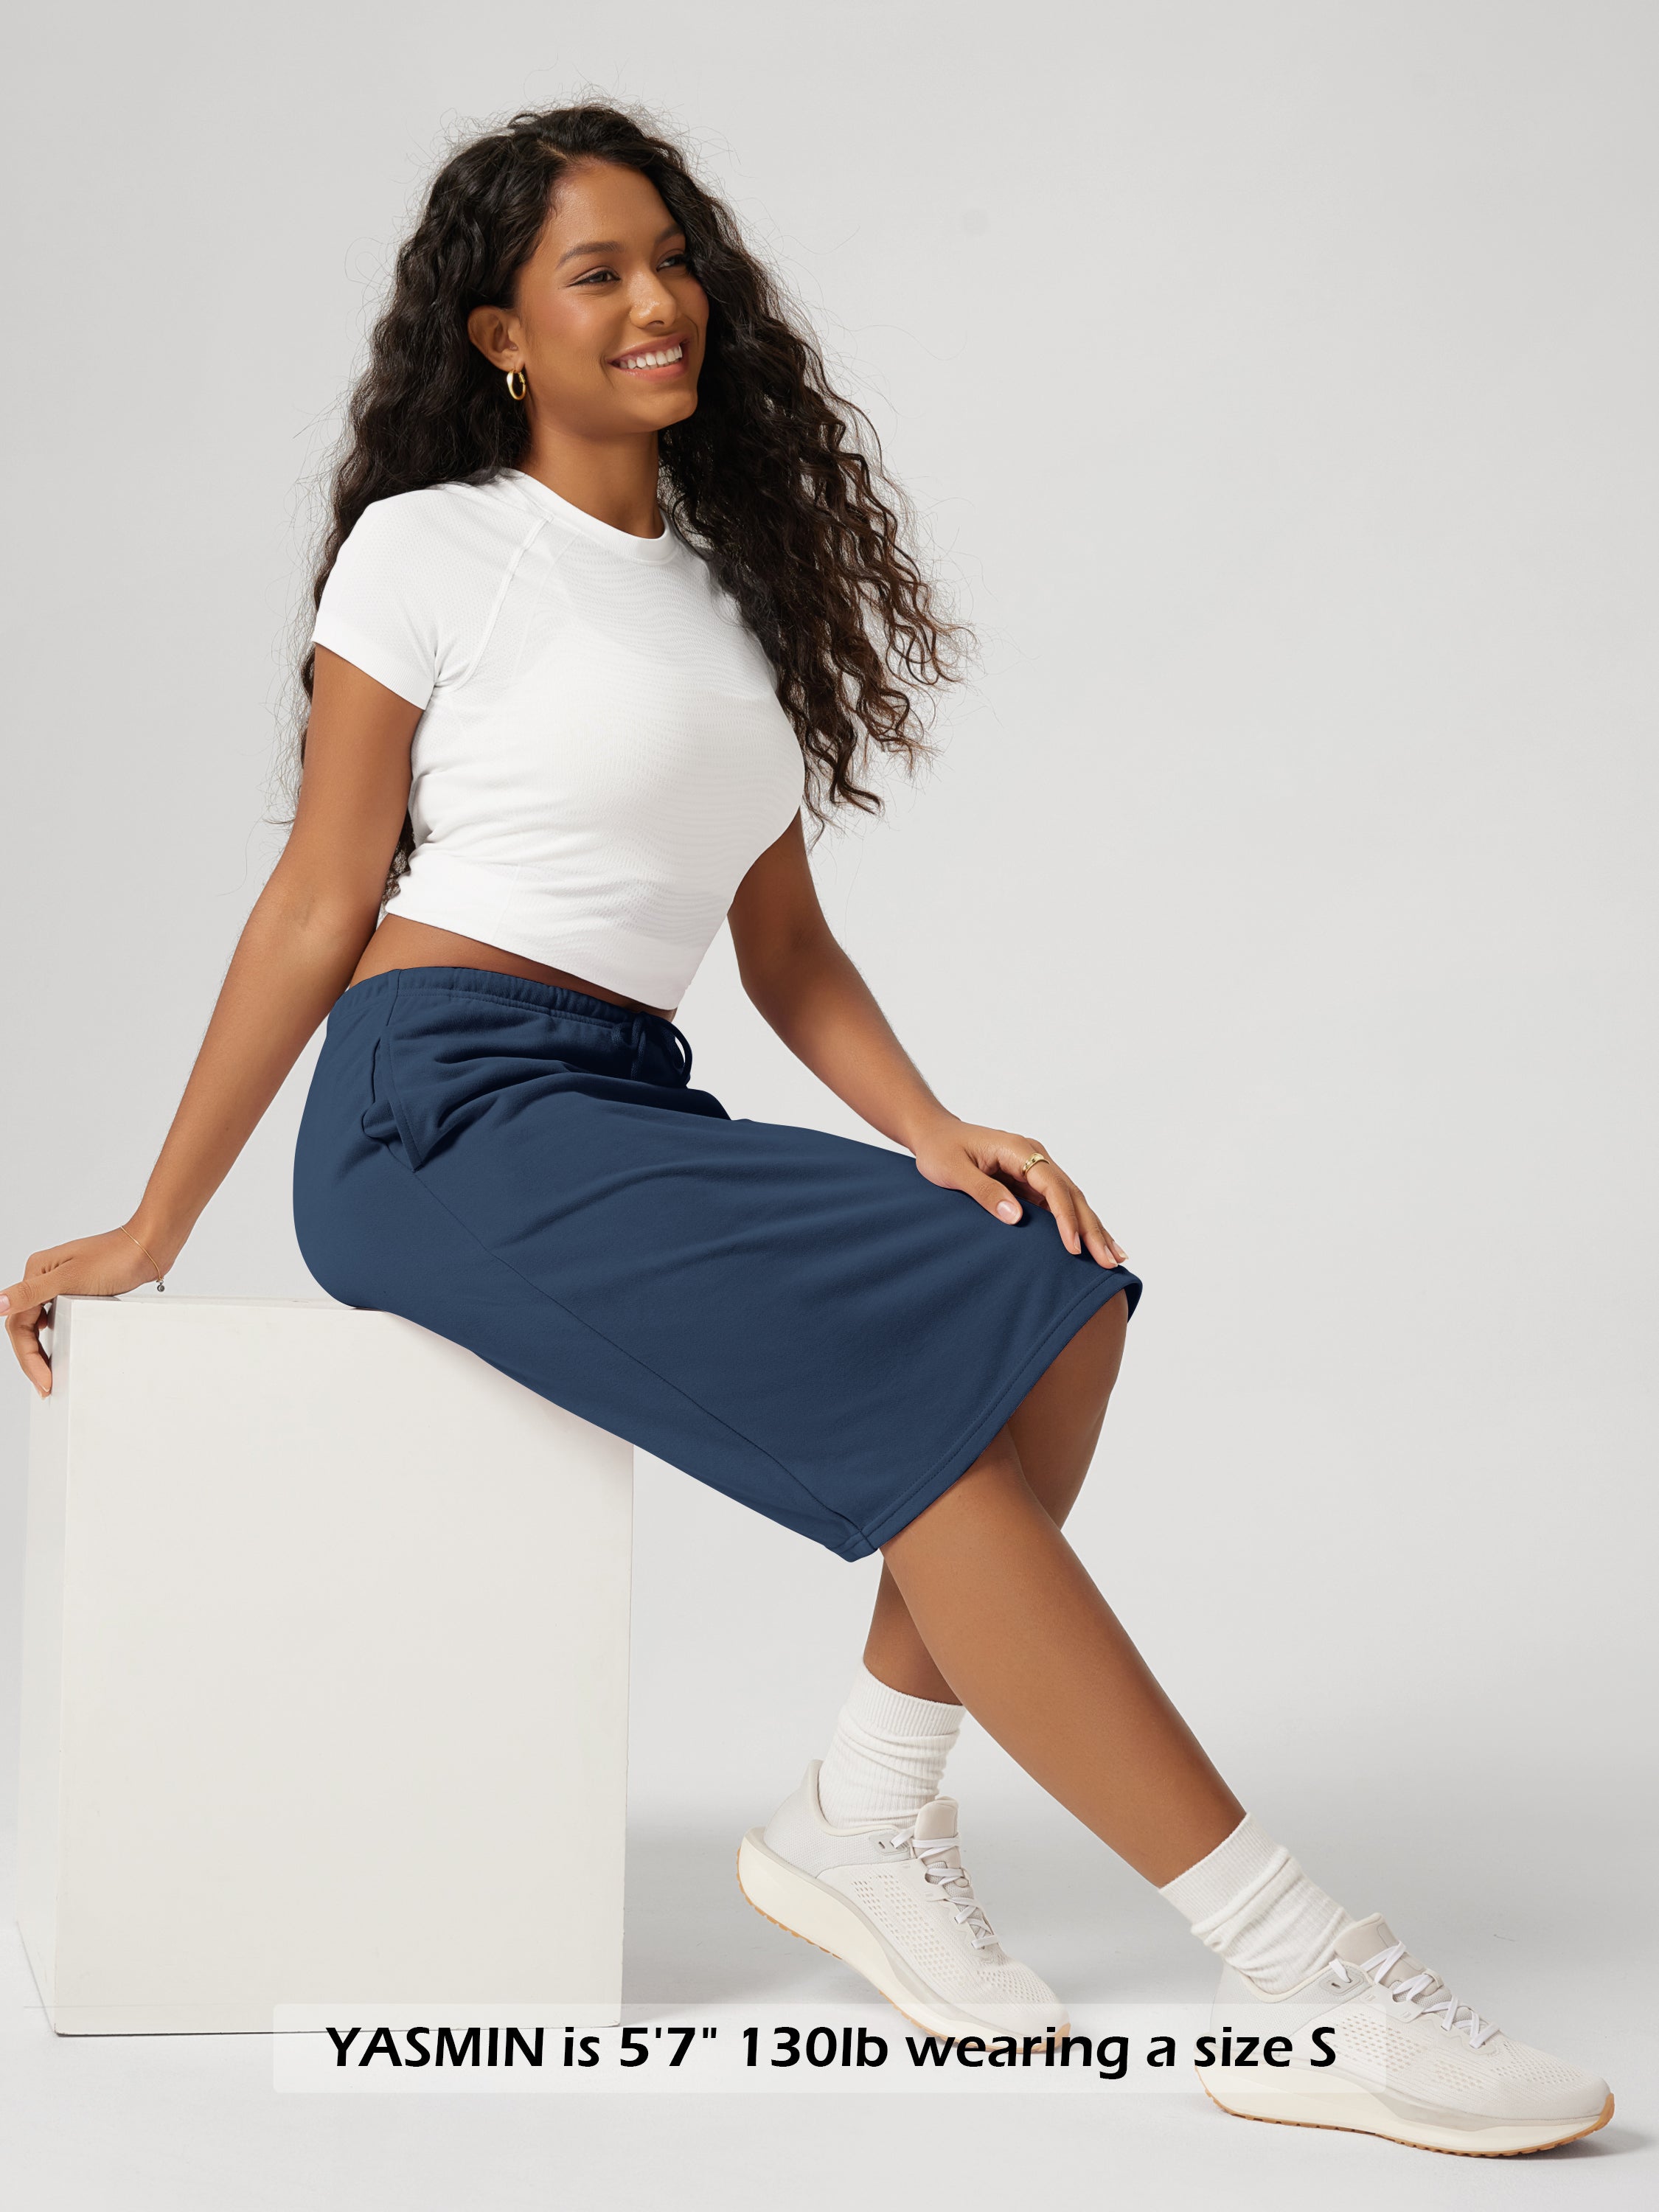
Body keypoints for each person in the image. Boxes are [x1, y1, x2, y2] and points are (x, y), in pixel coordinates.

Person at [2, 102, 1611, 2157]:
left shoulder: (723, 593)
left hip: (612, 1089)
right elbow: (322, 896)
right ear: (501, 332)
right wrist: (155, 1225)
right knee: (927, 1422)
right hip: (436, 1113)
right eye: (598, 272)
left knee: (1048, 1277)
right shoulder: (429, 548)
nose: (658, 299)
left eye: (672, 257)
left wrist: (934, 1125)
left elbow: (779, 943)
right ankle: (1297, 1966)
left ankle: (869, 1810)